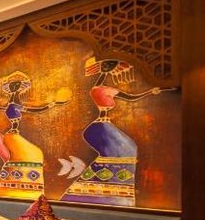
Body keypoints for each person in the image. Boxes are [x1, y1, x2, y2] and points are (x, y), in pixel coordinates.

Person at [61, 57, 174, 206]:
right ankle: (104, 191)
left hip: (102, 125)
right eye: (110, 68)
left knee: (127, 149)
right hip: (99, 127)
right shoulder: (100, 90)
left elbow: (130, 97)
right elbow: (127, 96)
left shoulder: (103, 89)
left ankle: (105, 190)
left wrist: (151, 92)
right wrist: (150, 92)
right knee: (126, 149)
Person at [0, 71, 71, 199]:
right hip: (12, 136)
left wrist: (53, 104)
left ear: (21, 87)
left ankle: (15, 188)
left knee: (33, 154)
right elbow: (1, 108)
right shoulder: (12, 105)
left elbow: (36, 109)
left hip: (13, 135)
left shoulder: (17, 105)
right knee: (33, 154)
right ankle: (18, 188)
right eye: (12, 85)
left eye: (16, 84)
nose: (14, 86)